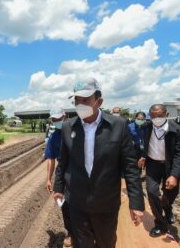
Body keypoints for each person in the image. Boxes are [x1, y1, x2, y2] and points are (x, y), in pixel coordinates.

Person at [53, 77, 144, 248]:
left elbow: (130, 167)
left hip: (106, 202)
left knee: (106, 243)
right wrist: (58, 187)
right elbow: (63, 160)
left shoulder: (118, 125)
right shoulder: (68, 127)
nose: (80, 104)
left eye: (86, 100)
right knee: (82, 244)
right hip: (77, 201)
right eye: (77, 100)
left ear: (99, 101)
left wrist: (136, 202)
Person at [140, 104, 180, 237]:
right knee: (151, 191)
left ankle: (168, 209)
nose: (156, 118)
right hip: (152, 164)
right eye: (153, 116)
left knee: (169, 194)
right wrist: (143, 156)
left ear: (166, 115)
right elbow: (145, 144)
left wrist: (174, 175)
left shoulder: (178, 131)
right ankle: (160, 224)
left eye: (160, 115)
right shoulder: (146, 127)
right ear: (150, 116)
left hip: (169, 166)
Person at [44, 109, 73, 247]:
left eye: (58, 118)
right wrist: (49, 178)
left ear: (65, 117)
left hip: (79, 171)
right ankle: (71, 233)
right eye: (54, 120)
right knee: (64, 205)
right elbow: (50, 159)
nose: (56, 122)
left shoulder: (76, 131)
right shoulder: (54, 137)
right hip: (62, 173)